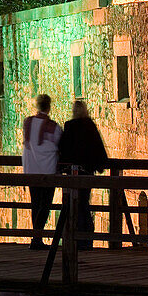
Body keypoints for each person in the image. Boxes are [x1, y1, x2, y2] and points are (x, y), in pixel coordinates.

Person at [58, 100, 109, 250]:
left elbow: (64, 149)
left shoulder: (70, 126)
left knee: (72, 205)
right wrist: (98, 165)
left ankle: (75, 239)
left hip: (73, 174)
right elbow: (98, 147)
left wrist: (62, 166)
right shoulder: (89, 126)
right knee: (84, 204)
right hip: (87, 173)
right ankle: (86, 239)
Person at [22, 94, 61, 249]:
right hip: (48, 170)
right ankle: (36, 238)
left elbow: (27, 144)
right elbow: (59, 145)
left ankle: (36, 237)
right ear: (49, 106)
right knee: (45, 205)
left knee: (35, 204)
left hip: (31, 169)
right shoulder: (53, 126)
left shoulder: (28, 122)